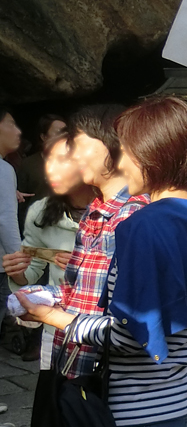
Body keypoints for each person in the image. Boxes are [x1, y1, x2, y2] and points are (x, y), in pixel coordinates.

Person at [16, 96, 187, 427]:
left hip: (134, 411)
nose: (122, 163)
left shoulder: (144, 225)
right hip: (178, 400)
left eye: (128, 151)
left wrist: (50, 315)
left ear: (155, 154)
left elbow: (131, 336)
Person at [10, 105, 147, 426]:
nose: (70, 159)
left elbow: (131, 323)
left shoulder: (133, 217)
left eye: (78, 148)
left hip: (104, 377)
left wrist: (53, 314)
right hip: (68, 360)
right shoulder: (88, 213)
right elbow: (80, 291)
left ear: (115, 148)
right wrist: (34, 295)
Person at [2, 132, 96, 415]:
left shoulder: (113, 212)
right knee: (58, 405)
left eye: (61, 160)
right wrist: (18, 274)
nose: (49, 169)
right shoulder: (41, 212)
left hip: (103, 325)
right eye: (47, 159)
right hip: (58, 327)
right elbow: (31, 271)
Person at [15, 114, 67, 231]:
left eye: (66, 131)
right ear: (43, 136)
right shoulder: (29, 164)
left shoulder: (73, 162)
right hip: (35, 224)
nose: (63, 136)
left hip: (66, 224)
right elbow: (20, 199)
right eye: (59, 132)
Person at [0, 106, 22, 315]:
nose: (19, 132)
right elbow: (5, 219)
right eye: (12, 124)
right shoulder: (4, 169)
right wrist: (19, 264)